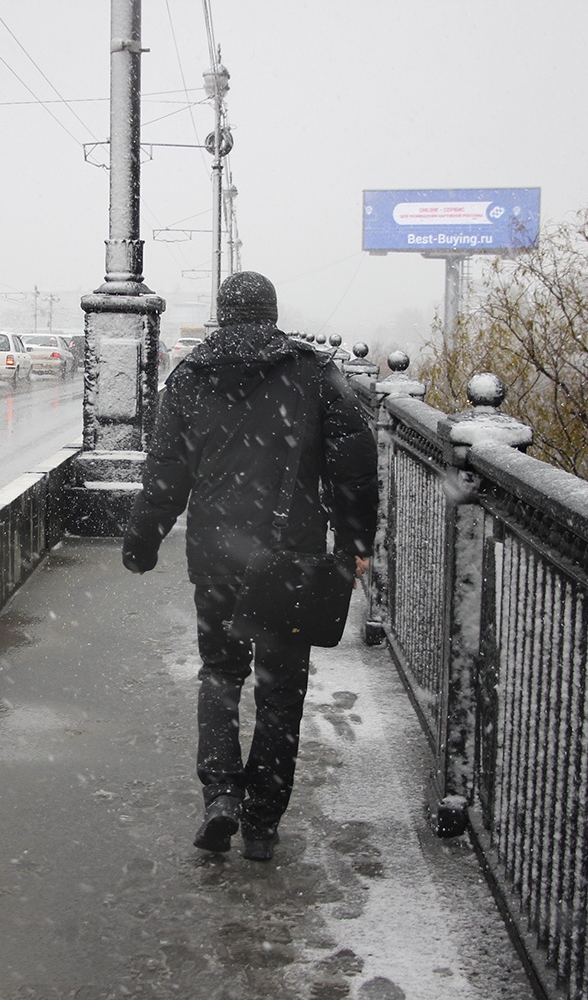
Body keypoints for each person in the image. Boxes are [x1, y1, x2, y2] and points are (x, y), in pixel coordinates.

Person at [121, 271, 380, 861]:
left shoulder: (189, 376)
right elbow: (354, 466)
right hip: (290, 555)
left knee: (219, 674)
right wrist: (356, 541)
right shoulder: (313, 374)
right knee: (281, 691)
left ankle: (219, 796)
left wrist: (144, 539)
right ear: (272, 311)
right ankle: (262, 820)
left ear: (222, 314)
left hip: (216, 555)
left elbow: (165, 473)